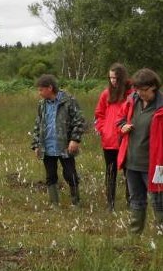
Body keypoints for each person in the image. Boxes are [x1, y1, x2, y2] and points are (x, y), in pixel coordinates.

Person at [117, 68, 163, 234]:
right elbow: (119, 119)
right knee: (136, 199)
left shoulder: (161, 107)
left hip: (155, 165)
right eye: (137, 90)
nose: (140, 93)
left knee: (159, 201)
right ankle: (134, 235)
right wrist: (122, 127)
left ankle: (160, 237)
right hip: (131, 162)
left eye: (144, 90)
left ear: (154, 87)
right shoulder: (132, 101)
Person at [31, 74, 85, 206]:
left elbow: (79, 120)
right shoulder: (42, 105)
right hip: (47, 146)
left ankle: (76, 202)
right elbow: (38, 124)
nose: (39, 93)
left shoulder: (69, 101)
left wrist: (75, 139)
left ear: (50, 88)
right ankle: (54, 204)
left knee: (70, 174)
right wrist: (36, 144)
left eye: (41, 90)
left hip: (65, 146)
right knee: (50, 176)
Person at [94, 63, 132, 210]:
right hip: (109, 140)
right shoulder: (105, 94)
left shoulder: (131, 94)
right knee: (110, 172)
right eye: (110, 78)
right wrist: (103, 129)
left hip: (126, 139)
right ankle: (110, 204)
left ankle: (131, 202)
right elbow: (99, 114)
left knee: (129, 173)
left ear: (122, 77)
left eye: (115, 78)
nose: (113, 81)